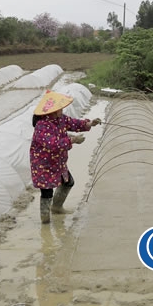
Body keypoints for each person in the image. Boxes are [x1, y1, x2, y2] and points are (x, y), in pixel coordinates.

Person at [30, 90, 101, 224]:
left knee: (68, 182)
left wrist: (90, 123)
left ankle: (56, 207)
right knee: (47, 192)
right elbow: (52, 144)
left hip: (57, 162)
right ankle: (45, 221)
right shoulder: (42, 126)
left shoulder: (60, 119)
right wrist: (73, 140)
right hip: (43, 165)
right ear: (52, 110)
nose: (62, 110)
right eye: (60, 108)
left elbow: (74, 123)